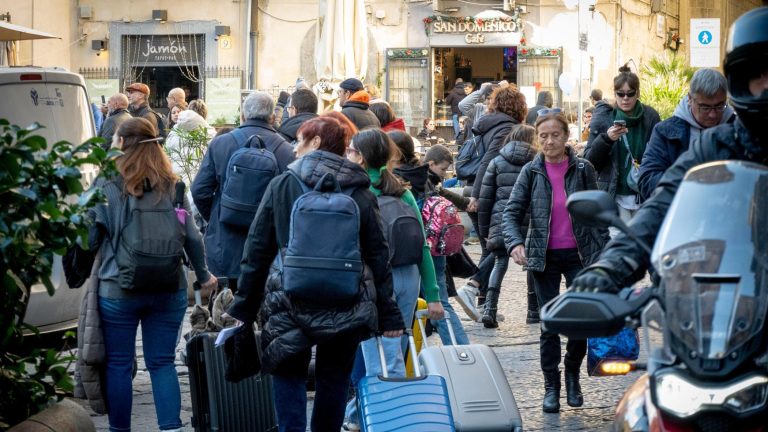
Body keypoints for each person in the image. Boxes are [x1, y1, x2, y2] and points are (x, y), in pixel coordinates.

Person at [227, 115, 405, 432]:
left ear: (316, 143)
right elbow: (379, 254)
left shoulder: (282, 185)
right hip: (346, 299)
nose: (295, 149)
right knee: (334, 381)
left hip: (288, 299)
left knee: (289, 374)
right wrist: (388, 313)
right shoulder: (361, 191)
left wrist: (244, 305)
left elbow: (257, 250)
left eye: (300, 141)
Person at [572, 7, 768, 294]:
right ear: (742, 80)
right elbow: (660, 203)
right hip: (722, 284)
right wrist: (611, 266)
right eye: (757, 74)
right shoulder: (718, 145)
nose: (766, 85)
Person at [87, 117, 218, 432]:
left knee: (118, 363)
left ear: (122, 144)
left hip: (118, 289)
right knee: (161, 363)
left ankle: (120, 429)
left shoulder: (106, 183)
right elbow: (192, 236)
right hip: (168, 287)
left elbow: (88, 238)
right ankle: (170, 428)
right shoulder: (173, 186)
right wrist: (203, 275)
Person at [502, 111, 608, 413]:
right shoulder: (531, 172)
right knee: (549, 324)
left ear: (566, 136)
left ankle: (572, 372)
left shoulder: (583, 168)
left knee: (578, 319)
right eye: (544, 136)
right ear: (538, 138)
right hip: (543, 257)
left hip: (580, 255)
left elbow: (596, 212)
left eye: (555, 135)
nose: (549, 141)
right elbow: (511, 213)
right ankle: (552, 387)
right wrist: (515, 243)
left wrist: (607, 252)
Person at [342, 129, 444, 430]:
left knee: (373, 356)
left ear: (360, 157)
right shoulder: (404, 191)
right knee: (396, 350)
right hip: (408, 278)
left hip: (372, 281)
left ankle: (371, 416)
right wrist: (434, 293)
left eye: (350, 151)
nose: (347, 155)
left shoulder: (354, 193)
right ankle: (384, 414)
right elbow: (422, 245)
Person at [191, 91, 295, 293]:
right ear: (272, 117)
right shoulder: (285, 150)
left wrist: (216, 215)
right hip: (267, 242)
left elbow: (199, 190)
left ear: (243, 115)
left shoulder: (221, 143)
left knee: (226, 305)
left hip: (225, 238)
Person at [458, 85, 527, 321]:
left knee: (491, 248)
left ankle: (483, 304)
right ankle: (472, 287)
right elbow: (489, 161)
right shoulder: (506, 127)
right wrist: (477, 197)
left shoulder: (487, 122)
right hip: (487, 195)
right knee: (501, 248)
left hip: (475, 189)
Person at [637, 68, 734, 199]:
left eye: (719, 106)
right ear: (690, 99)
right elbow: (647, 180)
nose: (712, 114)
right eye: (705, 107)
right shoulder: (664, 132)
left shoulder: (738, 129)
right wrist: (693, 181)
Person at [584, 65, 661, 228]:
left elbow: (660, 155)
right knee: (623, 244)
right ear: (615, 94)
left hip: (644, 195)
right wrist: (607, 139)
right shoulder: (605, 118)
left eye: (630, 93)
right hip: (614, 195)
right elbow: (589, 162)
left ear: (637, 93)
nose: (625, 98)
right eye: (620, 94)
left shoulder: (650, 116)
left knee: (642, 244)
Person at [477, 124, 537, 328]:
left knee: (499, 262)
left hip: (501, 219)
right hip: (530, 221)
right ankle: (533, 311)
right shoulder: (537, 161)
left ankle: (490, 308)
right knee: (532, 265)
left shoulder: (497, 161)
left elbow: (485, 199)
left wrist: (484, 230)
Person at [422, 144, 472, 346]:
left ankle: (459, 347)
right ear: (430, 163)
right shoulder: (425, 182)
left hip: (429, 248)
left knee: (438, 302)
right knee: (440, 302)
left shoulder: (421, 181)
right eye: (442, 169)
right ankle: (460, 349)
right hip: (434, 249)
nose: (443, 175)